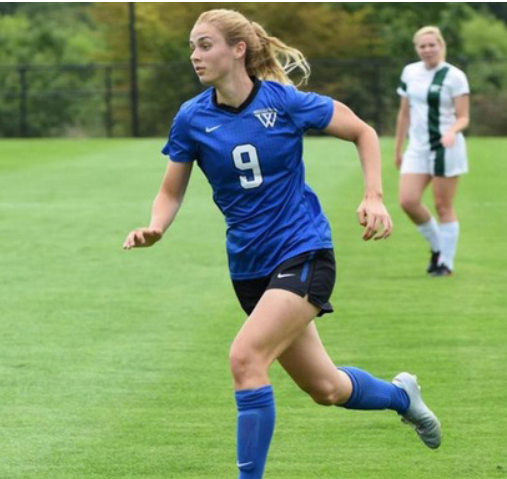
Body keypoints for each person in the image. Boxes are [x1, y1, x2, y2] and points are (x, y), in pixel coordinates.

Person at [124, 9, 441, 479]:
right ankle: (402, 396)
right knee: (327, 388)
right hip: (249, 269)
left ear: (239, 49)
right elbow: (171, 190)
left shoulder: (284, 102)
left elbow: (362, 130)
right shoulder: (192, 118)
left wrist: (374, 195)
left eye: (205, 44)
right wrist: (156, 226)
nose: (194, 55)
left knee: (245, 359)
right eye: (191, 46)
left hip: (303, 250)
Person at [395, 26, 470, 276]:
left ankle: (445, 263)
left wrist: (451, 131)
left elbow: (463, 117)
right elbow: (404, 114)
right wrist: (398, 148)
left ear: (441, 46)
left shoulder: (454, 76)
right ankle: (439, 246)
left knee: (442, 205)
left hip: (446, 147)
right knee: (407, 200)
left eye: (431, 45)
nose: (427, 50)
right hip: (417, 147)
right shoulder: (410, 72)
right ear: (417, 48)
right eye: (422, 46)